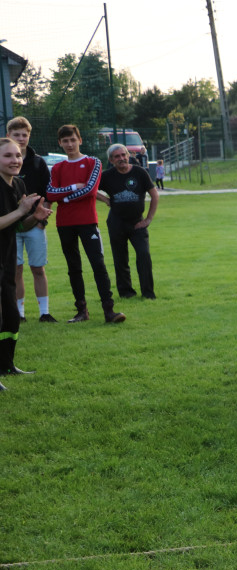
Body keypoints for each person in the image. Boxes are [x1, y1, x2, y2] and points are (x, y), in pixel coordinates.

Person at [45, 124, 125, 324]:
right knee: (73, 267)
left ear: (79, 140)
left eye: (73, 140)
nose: (70, 144)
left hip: (87, 222)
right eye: (65, 141)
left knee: (98, 264)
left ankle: (109, 310)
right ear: (60, 143)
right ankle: (81, 311)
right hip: (64, 223)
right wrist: (73, 187)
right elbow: (50, 193)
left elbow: (90, 190)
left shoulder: (93, 162)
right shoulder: (57, 168)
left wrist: (64, 198)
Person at [0, 137, 52, 385]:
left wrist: (35, 217)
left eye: (18, 155)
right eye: (8, 156)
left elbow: (19, 225)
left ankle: (6, 366)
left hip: (7, 258)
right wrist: (22, 211)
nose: (15, 160)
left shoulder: (19, 184)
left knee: (11, 316)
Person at [5, 117, 56, 323]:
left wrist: (42, 219)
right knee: (15, 270)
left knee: (38, 268)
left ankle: (44, 312)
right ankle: (20, 313)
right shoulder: (4, 162)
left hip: (35, 223)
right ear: (8, 136)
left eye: (24, 135)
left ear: (29, 136)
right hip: (10, 225)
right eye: (16, 135)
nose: (21, 138)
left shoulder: (38, 162)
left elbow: (47, 193)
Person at [97, 144, 159, 299]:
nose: (121, 158)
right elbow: (90, 189)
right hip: (116, 222)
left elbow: (154, 195)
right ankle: (126, 293)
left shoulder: (140, 172)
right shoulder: (107, 176)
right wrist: (105, 199)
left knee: (144, 255)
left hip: (137, 223)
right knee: (120, 258)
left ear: (128, 155)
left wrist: (148, 219)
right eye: (117, 156)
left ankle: (148, 293)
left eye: (123, 155)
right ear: (111, 160)